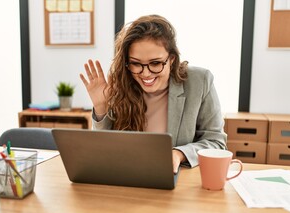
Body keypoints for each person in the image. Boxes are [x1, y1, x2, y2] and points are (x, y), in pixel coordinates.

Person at [80, 14, 227, 173]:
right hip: (129, 178)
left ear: (171, 59)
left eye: (155, 63)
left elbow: (216, 143)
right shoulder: (121, 84)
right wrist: (101, 106)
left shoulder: (200, 81)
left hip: (178, 183)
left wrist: (179, 154)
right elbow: (105, 151)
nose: (146, 74)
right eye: (136, 63)